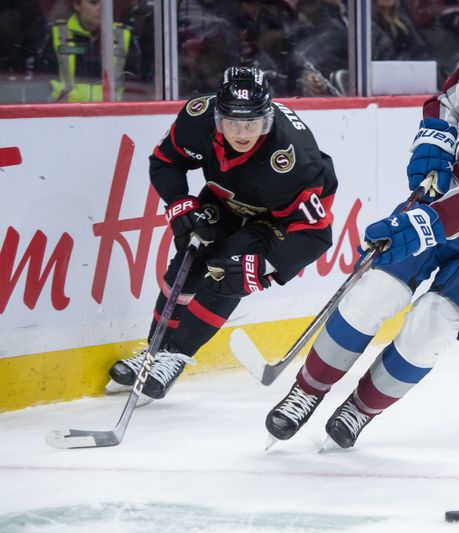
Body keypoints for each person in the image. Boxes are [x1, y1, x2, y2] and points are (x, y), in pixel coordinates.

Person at [264, 10, 459, 450]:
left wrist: (425, 223)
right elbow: (446, 102)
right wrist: (434, 137)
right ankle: (306, 391)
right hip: (435, 212)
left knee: (431, 328)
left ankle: (360, 408)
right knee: (372, 293)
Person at [106, 66, 338, 403]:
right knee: (190, 257)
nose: (242, 133)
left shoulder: (293, 159)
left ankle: (174, 356)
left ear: (268, 119)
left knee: (230, 270)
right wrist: (180, 206)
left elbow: (316, 235)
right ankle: (153, 353)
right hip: (226, 199)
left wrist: (266, 266)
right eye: (232, 122)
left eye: (252, 123)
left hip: (280, 222)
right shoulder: (196, 118)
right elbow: (165, 162)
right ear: (217, 117)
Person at [35, 0, 142, 102]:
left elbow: (138, 85)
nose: (101, 8)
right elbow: (40, 82)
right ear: (77, 5)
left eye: (105, 3)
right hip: (65, 115)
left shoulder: (123, 36)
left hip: (114, 116)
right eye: (93, 2)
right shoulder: (56, 34)